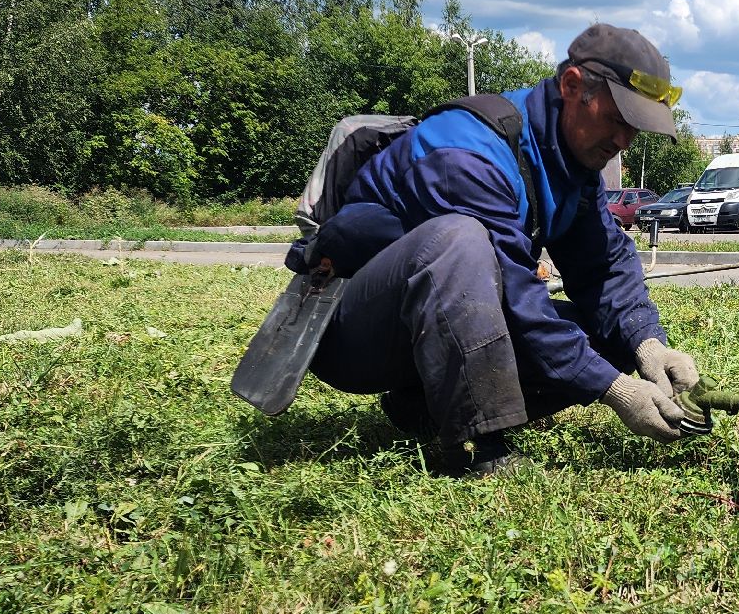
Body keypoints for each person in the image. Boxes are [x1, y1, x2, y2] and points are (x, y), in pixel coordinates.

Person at [301, 24, 703, 475]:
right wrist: (617, 391)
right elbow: (517, 298)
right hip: (354, 332)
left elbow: (604, 266)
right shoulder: (465, 154)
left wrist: (648, 345)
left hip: (435, 325)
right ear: (573, 86)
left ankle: (420, 408)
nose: (623, 142)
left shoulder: (571, 163)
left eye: (635, 129)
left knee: (614, 337)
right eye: (618, 120)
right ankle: (477, 447)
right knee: (460, 240)